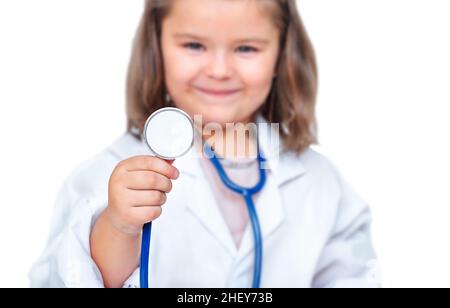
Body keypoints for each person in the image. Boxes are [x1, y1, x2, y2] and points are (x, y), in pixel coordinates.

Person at [30, 0, 378, 288]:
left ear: (281, 54)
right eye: (194, 45)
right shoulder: (105, 173)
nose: (219, 69)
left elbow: (353, 277)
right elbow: (64, 278)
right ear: (157, 46)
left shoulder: (320, 183)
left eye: (246, 48)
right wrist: (119, 226)